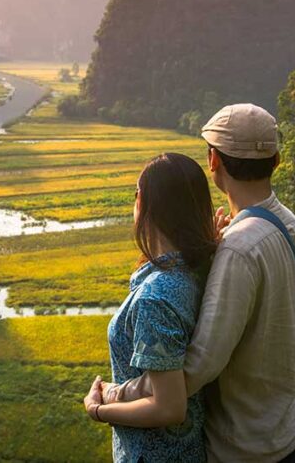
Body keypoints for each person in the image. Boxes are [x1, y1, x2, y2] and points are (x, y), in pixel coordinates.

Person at [97, 104, 295, 463]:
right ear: (275, 161)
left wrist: (115, 396)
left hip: (244, 442)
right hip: (284, 425)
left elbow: (199, 366)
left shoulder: (239, 248)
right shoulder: (290, 225)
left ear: (213, 161)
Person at [81, 152, 218, 463]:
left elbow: (168, 407)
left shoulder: (156, 296)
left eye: (135, 193)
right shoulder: (196, 268)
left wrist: (99, 410)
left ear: (144, 202)